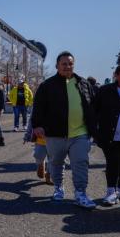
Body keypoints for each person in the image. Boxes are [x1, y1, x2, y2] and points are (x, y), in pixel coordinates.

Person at [31, 51, 97, 209]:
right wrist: (37, 125)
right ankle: (58, 188)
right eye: (64, 64)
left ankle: (80, 193)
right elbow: (38, 107)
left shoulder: (83, 83)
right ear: (57, 66)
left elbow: (93, 107)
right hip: (54, 134)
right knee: (56, 163)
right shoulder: (47, 85)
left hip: (80, 134)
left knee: (80, 162)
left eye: (70, 63)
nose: (68, 66)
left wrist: (94, 128)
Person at [94, 64, 120, 205]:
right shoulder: (105, 91)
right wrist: (95, 133)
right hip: (109, 135)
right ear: (116, 75)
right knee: (112, 162)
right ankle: (111, 191)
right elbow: (93, 111)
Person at [23, 107, 52, 185]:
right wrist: (27, 135)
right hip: (40, 138)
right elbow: (31, 120)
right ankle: (40, 164)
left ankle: (49, 175)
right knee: (38, 155)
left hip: (54, 138)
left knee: (53, 159)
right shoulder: (38, 104)